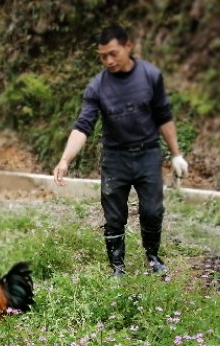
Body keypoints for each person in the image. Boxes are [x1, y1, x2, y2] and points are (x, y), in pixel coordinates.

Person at [53, 25, 189, 276]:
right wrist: (65, 159)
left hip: (148, 154)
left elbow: (164, 116)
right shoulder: (97, 86)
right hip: (115, 159)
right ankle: (117, 267)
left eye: (113, 53)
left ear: (129, 46)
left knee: (152, 211)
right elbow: (83, 126)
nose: (108, 60)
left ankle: (153, 257)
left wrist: (176, 153)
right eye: (102, 56)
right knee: (114, 216)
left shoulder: (150, 76)